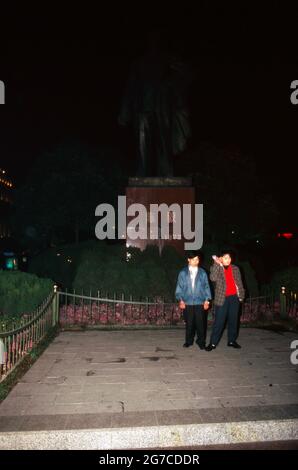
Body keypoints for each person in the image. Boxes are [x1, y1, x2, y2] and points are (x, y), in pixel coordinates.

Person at [206, 250, 245, 351]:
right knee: (219, 321)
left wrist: (241, 295)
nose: (228, 260)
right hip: (222, 298)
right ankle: (213, 343)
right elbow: (213, 278)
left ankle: (231, 341)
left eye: (229, 258)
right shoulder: (217, 267)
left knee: (233, 320)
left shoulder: (235, 268)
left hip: (234, 298)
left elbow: (239, 282)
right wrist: (216, 264)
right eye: (226, 258)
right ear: (221, 259)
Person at [175, 251, 211, 349]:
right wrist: (181, 299)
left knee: (201, 323)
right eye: (194, 259)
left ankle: (201, 341)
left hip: (200, 301)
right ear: (188, 260)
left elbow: (206, 287)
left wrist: (207, 300)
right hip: (187, 302)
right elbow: (179, 287)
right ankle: (189, 341)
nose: (196, 261)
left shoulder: (202, 272)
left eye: (197, 259)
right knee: (189, 323)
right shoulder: (183, 273)